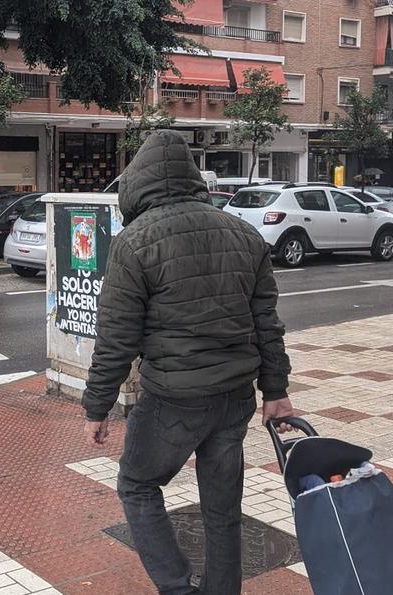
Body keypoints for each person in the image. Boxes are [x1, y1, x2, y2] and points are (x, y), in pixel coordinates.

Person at [83, 130, 295, 595]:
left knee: (137, 485)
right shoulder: (244, 233)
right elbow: (267, 323)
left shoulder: (134, 242)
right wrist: (275, 392)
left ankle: (178, 587)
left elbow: (116, 338)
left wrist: (97, 408)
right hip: (235, 398)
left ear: (136, 183)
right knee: (222, 511)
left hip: (174, 400)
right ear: (193, 178)